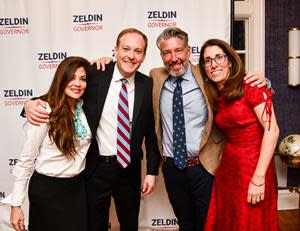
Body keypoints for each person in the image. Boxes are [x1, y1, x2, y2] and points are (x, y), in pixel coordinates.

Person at [92, 27, 268, 231]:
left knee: (209, 224)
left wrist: (264, 82)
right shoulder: (155, 78)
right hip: (172, 168)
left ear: (188, 51)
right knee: (185, 224)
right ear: (160, 56)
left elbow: (235, 86)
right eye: (167, 53)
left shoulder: (206, 76)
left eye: (179, 51)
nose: (173, 58)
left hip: (205, 167)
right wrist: (104, 62)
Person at [23, 28, 161, 231]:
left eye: (137, 51)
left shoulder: (146, 84)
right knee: (94, 225)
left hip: (129, 170)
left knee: (130, 224)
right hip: (96, 169)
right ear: (115, 49)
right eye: (125, 49)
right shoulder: (96, 74)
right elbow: (61, 90)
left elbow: (150, 132)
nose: (131, 55)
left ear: (144, 55)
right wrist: (28, 104)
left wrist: (151, 171)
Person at [1, 56, 92, 231]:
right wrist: (16, 205)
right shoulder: (44, 110)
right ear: (61, 79)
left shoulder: (83, 108)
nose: (77, 83)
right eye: (72, 77)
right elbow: (26, 159)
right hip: (48, 191)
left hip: (77, 190)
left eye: (82, 79)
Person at [198, 39, 279, 230]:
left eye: (219, 57)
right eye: (207, 60)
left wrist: (258, 178)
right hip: (228, 166)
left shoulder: (251, 86)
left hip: (254, 165)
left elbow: (272, 130)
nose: (213, 64)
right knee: (231, 218)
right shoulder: (218, 93)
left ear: (231, 61)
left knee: (250, 220)